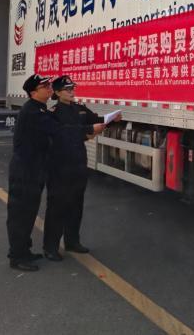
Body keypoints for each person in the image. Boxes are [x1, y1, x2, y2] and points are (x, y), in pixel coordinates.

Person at [7, 74, 105, 271]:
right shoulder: (34, 112)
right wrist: (88, 129)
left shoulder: (41, 109)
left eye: (48, 85)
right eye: (44, 86)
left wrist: (90, 129)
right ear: (33, 92)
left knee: (29, 212)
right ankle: (18, 257)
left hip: (37, 170)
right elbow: (60, 131)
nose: (48, 88)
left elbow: (65, 130)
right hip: (26, 171)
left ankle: (24, 251)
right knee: (21, 214)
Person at [42, 76, 117, 261]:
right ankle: (50, 247)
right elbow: (62, 134)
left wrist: (113, 119)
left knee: (76, 204)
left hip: (78, 164)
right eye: (67, 89)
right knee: (57, 207)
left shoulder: (79, 108)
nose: (71, 92)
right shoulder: (53, 113)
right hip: (60, 166)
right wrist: (88, 129)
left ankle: (72, 241)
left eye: (72, 88)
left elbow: (96, 120)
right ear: (57, 92)